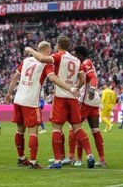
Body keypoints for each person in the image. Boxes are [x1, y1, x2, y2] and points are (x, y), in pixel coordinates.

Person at [25, 36, 95, 169]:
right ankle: (90, 155)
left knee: (57, 128)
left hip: (61, 97)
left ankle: (57, 161)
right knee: (78, 128)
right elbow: (83, 78)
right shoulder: (76, 60)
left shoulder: (58, 56)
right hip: (73, 98)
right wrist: (75, 89)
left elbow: (41, 59)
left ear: (58, 45)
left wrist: (30, 50)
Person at [6, 41, 78, 169]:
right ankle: (33, 162)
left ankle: (21, 158)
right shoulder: (46, 63)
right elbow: (53, 78)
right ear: (46, 51)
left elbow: (14, 78)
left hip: (18, 99)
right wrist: (69, 88)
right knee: (33, 131)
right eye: (50, 50)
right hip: (30, 102)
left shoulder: (26, 61)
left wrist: (9, 93)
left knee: (20, 130)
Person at [68, 45, 106, 167]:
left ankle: (76, 158)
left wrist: (92, 89)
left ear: (79, 54)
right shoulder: (85, 64)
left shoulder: (85, 62)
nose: (74, 56)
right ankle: (102, 159)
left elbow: (93, 77)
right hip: (94, 102)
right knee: (95, 130)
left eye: (75, 54)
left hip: (86, 101)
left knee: (76, 127)